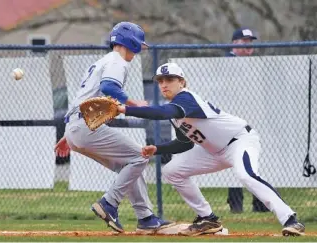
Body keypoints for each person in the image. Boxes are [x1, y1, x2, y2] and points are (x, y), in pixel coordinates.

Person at [116, 62, 305, 237]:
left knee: (246, 175)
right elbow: (185, 143)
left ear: (182, 82)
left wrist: (124, 109)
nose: (164, 84)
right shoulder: (175, 111)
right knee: (172, 171)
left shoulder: (186, 98)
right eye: (160, 81)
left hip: (239, 141)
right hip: (213, 151)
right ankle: (208, 218)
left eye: (170, 79)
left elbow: (162, 113)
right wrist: (157, 148)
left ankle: (291, 220)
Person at [54, 22, 173, 234]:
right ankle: (109, 203)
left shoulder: (104, 61)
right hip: (84, 128)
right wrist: (134, 103)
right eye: (138, 45)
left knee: (129, 163)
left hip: (77, 127)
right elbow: (109, 87)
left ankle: (146, 218)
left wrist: (68, 135)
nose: (138, 52)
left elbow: (82, 101)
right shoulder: (117, 61)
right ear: (132, 42)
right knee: (140, 156)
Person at [225, 27, 270, 213]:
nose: (248, 46)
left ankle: (259, 204)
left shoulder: (254, 64)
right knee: (233, 160)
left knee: (256, 160)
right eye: (244, 42)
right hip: (232, 120)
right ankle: (236, 205)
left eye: (250, 42)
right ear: (234, 43)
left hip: (254, 118)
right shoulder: (226, 63)